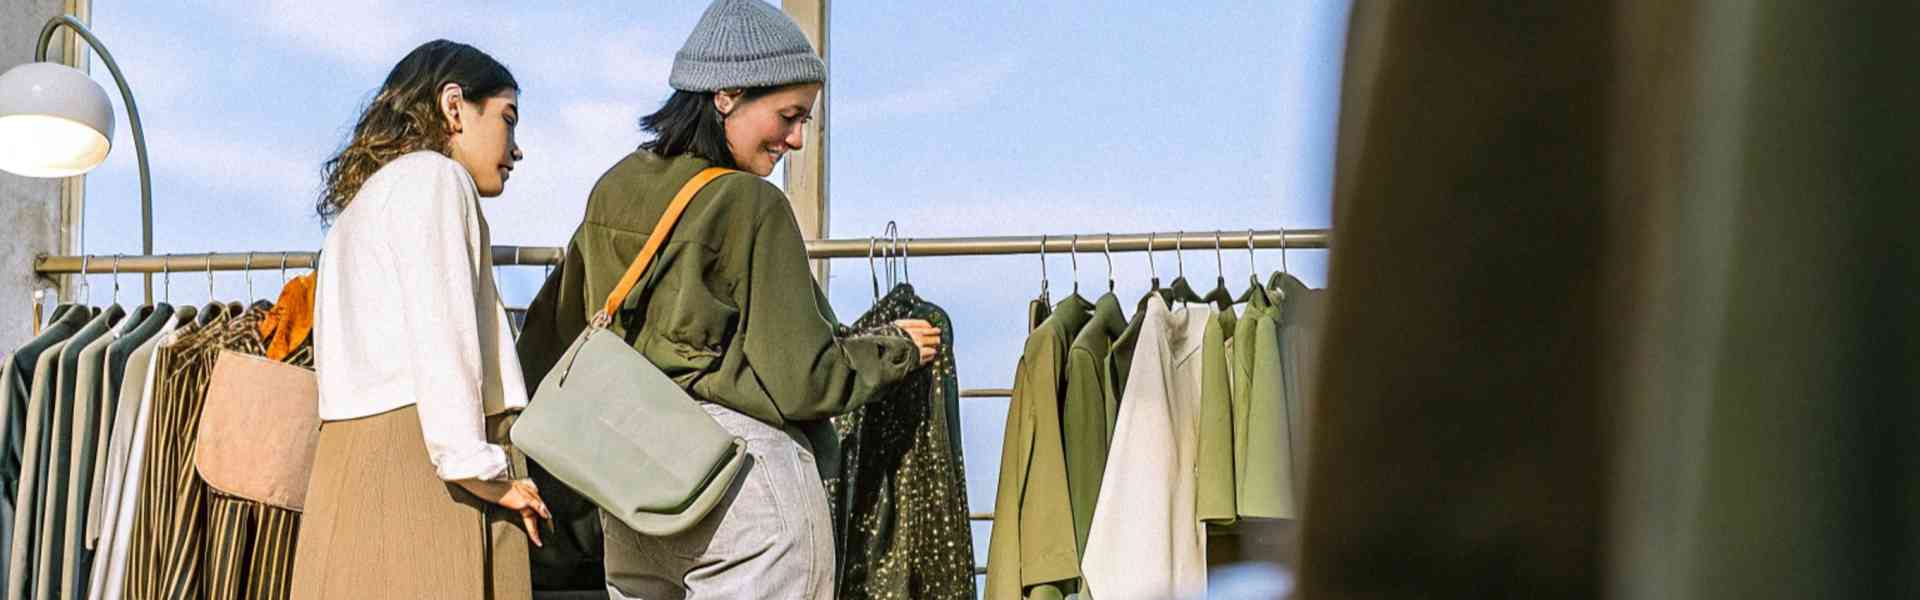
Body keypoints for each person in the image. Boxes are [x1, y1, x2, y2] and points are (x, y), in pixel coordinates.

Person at [517, 0, 942, 598]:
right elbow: (806, 379)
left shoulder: (613, 188)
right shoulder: (751, 204)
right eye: (789, 116)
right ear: (727, 94)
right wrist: (894, 349)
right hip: (744, 490)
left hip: (633, 488)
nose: (795, 138)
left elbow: (553, 337)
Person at [293, 39, 549, 600]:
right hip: (421, 470)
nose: (518, 149)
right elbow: (444, 336)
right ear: (454, 106)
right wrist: (484, 470)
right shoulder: (433, 178)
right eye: (508, 118)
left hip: (355, 472)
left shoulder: (360, 212)